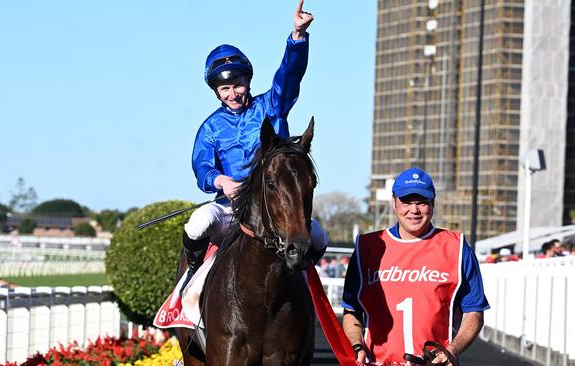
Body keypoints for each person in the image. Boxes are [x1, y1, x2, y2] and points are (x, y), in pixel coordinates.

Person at [181, 0, 327, 291]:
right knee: (197, 223)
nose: (233, 93)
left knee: (320, 238)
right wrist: (222, 181)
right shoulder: (210, 128)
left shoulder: (271, 105)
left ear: (248, 80)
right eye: (225, 88)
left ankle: (308, 290)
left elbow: (289, 76)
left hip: (275, 209)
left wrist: (297, 37)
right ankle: (189, 284)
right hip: (229, 209)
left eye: (238, 84)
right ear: (216, 92)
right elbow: (202, 168)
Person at [341, 167, 489, 365]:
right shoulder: (367, 247)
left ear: (433, 204)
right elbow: (352, 310)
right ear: (394, 202)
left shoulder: (457, 248)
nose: (414, 210)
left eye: (422, 202)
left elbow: (474, 311)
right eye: (406, 202)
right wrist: (356, 345)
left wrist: (452, 350)